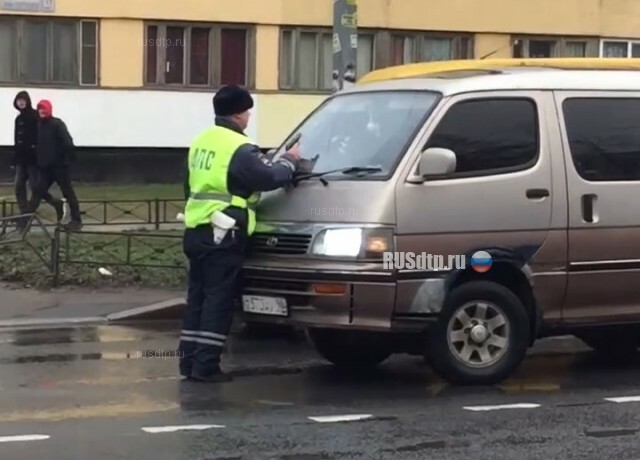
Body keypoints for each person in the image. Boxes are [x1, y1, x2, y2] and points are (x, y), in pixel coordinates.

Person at [178, 85, 301, 383]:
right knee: (217, 300)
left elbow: (190, 185)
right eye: (246, 111)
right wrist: (289, 161)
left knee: (197, 298)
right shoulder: (238, 147)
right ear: (237, 114)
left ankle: (188, 361)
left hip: (196, 229)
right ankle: (206, 366)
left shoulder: (201, 142)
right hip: (225, 231)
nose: (248, 116)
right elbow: (270, 177)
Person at [26, 100, 82, 231]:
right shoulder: (39, 125)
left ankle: (76, 221)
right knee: (37, 192)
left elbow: (67, 141)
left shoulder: (57, 124)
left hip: (59, 167)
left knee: (68, 193)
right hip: (45, 168)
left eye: (44, 109)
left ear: (49, 110)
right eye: (40, 109)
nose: (42, 111)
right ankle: (25, 221)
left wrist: (68, 156)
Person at [12, 91, 60, 224]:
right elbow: (17, 139)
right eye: (18, 100)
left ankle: (55, 203)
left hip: (33, 159)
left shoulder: (34, 115)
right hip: (21, 159)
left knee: (36, 188)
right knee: (18, 186)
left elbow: (41, 135)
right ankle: (24, 215)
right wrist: (14, 157)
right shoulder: (18, 119)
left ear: (27, 101)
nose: (21, 102)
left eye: (23, 100)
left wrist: (38, 151)